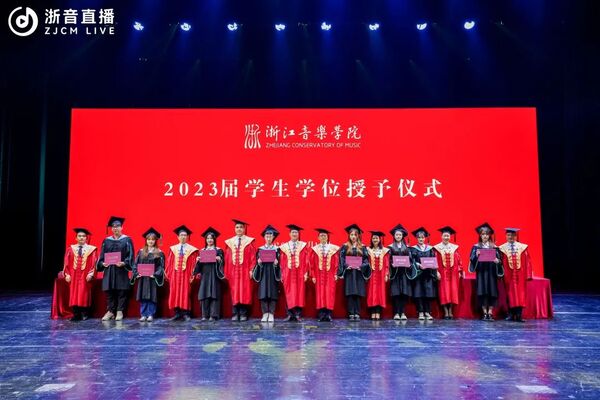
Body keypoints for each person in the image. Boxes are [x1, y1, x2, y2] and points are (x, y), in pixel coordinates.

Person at [97, 216, 134, 321]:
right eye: (113, 226)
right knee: (110, 291)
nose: (115, 228)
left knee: (122, 291)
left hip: (121, 269)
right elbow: (102, 256)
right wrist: (102, 263)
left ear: (122, 227)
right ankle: (110, 311)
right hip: (109, 269)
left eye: (117, 226)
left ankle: (119, 311)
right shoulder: (106, 241)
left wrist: (124, 263)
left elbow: (130, 256)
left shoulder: (127, 240)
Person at [468, 222, 504, 321]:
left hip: (491, 272)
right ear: (480, 235)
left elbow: (500, 260)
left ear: (489, 235)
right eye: (483, 234)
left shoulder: (494, 247)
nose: (485, 236)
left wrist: (497, 261)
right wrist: (476, 255)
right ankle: (484, 313)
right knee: (482, 291)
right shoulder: (476, 247)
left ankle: (490, 312)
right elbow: (472, 259)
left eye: (487, 234)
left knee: (492, 291)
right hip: (481, 272)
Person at [336, 224, 371, 321]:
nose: (353, 237)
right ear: (349, 235)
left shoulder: (363, 247)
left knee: (358, 293)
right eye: (351, 235)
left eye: (355, 235)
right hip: (349, 273)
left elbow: (366, 260)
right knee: (350, 293)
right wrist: (346, 266)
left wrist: (361, 267)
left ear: (358, 236)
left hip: (359, 273)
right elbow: (341, 259)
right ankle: (351, 313)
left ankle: (357, 313)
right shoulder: (345, 246)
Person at [224, 219, 256, 321]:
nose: (239, 229)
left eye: (241, 227)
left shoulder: (249, 242)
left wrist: (251, 270)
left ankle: (243, 313)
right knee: (234, 291)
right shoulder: (230, 242)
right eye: (237, 227)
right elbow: (227, 258)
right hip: (234, 271)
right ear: (234, 229)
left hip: (245, 271)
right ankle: (235, 313)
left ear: (244, 229)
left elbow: (253, 257)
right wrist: (227, 271)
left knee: (244, 292)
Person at [498, 227, 533, 322]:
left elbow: (528, 262)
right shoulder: (502, 248)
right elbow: (500, 263)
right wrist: (500, 274)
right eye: (508, 235)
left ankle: (519, 315)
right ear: (506, 236)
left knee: (520, 294)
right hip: (508, 276)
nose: (510, 237)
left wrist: (528, 275)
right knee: (510, 294)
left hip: (520, 275)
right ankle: (511, 314)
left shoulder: (522, 247)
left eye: (513, 235)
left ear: (516, 236)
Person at [63, 228, 97, 321]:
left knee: (84, 293)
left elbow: (94, 263)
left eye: (83, 236)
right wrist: (67, 274)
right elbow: (66, 263)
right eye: (79, 236)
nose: (81, 238)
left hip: (85, 275)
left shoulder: (92, 250)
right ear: (76, 238)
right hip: (73, 275)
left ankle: (84, 313)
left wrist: (91, 274)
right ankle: (76, 314)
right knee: (74, 293)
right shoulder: (70, 249)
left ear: (86, 238)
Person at [165, 225, 198, 321]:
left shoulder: (192, 250)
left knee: (185, 293)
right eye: (181, 235)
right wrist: (169, 274)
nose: (183, 237)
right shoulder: (173, 249)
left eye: (185, 235)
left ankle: (186, 313)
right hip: (175, 275)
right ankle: (177, 313)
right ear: (178, 237)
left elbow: (194, 264)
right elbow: (169, 263)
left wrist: (193, 275)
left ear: (187, 237)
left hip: (186, 275)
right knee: (175, 293)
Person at [132, 227, 165, 322]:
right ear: (146, 240)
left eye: (153, 239)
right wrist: (136, 273)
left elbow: (161, 267)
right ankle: (143, 314)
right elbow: (135, 264)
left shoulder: (159, 253)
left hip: (152, 278)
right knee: (143, 296)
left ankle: (150, 314)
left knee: (152, 296)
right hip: (143, 278)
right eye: (149, 239)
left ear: (155, 241)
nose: (150, 241)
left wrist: (155, 274)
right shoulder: (141, 252)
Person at [194, 227, 225, 321]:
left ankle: (213, 315)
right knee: (204, 294)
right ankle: (205, 315)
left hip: (215, 275)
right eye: (207, 238)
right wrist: (198, 261)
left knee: (214, 294)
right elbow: (199, 267)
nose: (209, 240)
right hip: (205, 275)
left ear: (214, 239)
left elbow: (223, 263)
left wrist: (219, 259)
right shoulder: (202, 250)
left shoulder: (219, 250)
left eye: (211, 238)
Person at [279, 224, 309, 322]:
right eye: (293, 232)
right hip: (288, 273)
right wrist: (282, 273)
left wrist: (305, 272)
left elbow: (306, 260)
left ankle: (298, 314)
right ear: (289, 234)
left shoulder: (303, 246)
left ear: (298, 234)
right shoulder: (284, 247)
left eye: (296, 232)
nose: (294, 234)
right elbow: (282, 261)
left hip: (299, 272)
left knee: (299, 293)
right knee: (288, 292)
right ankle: (289, 314)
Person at [309, 228, 340, 322]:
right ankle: (321, 315)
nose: (323, 237)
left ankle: (328, 314)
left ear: (327, 237)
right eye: (321, 235)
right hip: (319, 275)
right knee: (320, 294)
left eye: (325, 235)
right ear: (318, 237)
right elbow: (312, 264)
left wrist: (336, 274)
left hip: (330, 275)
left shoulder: (333, 249)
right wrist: (313, 275)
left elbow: (336, 262)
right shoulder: (315, 249)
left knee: (329, 293)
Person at [387, 224, 417, 320]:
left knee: (404, 293)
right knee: (396, 293)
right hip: (395, 273)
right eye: (397, 235)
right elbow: (388, 259)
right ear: (394, 236)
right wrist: (392, 264)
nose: (398, 236)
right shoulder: (390, 247)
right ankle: (396, 313)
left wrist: (409, 265)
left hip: (404, 273)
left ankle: (403, 312)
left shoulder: (407, 248)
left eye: (400, 235)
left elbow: (411, 260)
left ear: (402, 236)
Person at [433, 226, 464, 320]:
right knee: (444, 292)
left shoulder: (454, 248)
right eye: (444, 236)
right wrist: (436, 271)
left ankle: (450, 311)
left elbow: (459, 260)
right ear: (441, 236)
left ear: (450, 237)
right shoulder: (437, 248)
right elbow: (434, 261)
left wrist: (459, 270)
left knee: (452, 292)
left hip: (453, 274)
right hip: (442, 273)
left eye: (448, 236)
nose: (446, 237)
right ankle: (445, 311)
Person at [252, 225, 281, 323]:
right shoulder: (260, 249)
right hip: (263, 273)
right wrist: (259, 263)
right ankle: (265, 313)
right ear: (264, 237)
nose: (268, 238)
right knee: (263, 293)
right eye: (267, 236)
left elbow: (281, 263)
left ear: (273, 237)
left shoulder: (277, 249)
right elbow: (256, 262)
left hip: (273, 274)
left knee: (273, 293)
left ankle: (271, 314)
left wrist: (277, 264)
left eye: (270, 236)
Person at [410, 227, 439, 321]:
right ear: (416, 238)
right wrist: (418, 265)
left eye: (422, 237)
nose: (421, 239)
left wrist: (436, 270)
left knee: (428, 293)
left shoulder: (430, 249)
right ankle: (420, 312)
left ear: (425, 238)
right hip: (418, 274)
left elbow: (434, 260)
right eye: (419, 237)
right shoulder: (413, 249)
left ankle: (427, 311)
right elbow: (411, 260)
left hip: (428, 274)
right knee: (419, 293)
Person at [366, 231, 389, 320]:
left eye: (376, 238)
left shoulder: (384, 251)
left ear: (380, 239)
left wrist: (386, 274)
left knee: (380, 293)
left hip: (381, 274)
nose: (375, 240)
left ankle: (378, 312)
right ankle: (373, 312)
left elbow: (386, 264)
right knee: (372, 293)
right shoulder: (368, 250)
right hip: (371, 275)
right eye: (373, 238)